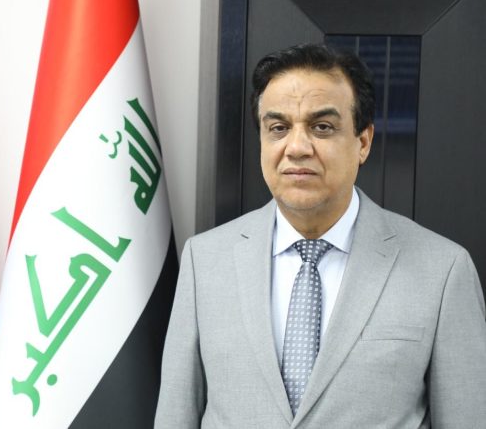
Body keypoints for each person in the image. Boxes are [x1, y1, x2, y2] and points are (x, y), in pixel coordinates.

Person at [154, 43, 486, 428]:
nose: (296, 148)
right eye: (278, 128)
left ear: (363, 142)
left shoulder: (443, 271)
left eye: (322, 127)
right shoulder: (204, 261)